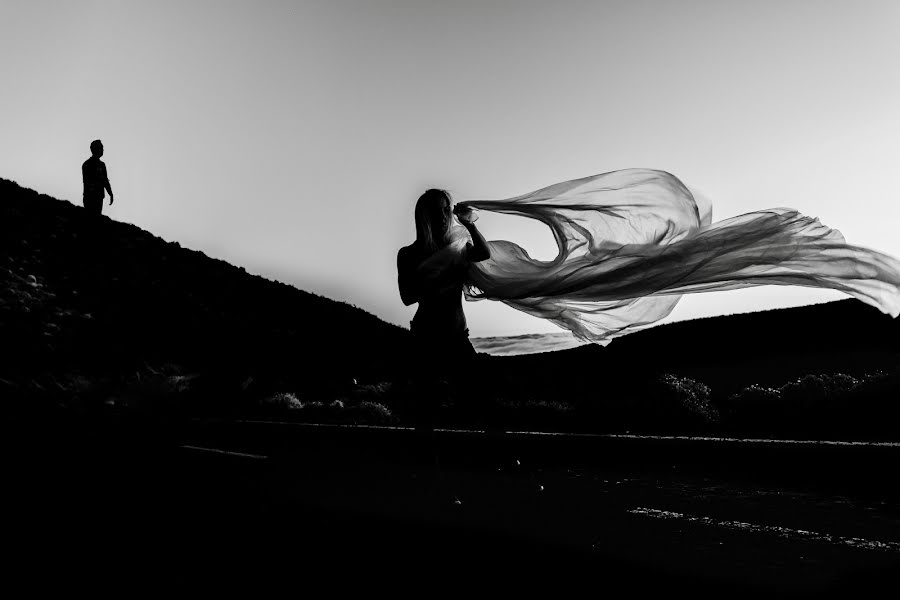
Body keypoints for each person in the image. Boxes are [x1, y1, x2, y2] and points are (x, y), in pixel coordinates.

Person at [397, 189, 491, 430]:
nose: (441, 215)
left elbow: (484, 252)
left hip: (457, 336)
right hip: (425, 337)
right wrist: (438, 278)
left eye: (445, 210)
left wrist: (469, 225)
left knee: (475, 398)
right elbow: (407, 297)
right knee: (424, 407)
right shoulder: (409, 254)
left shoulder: (458, 247)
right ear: (423, 215)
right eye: (435, 211)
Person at [82, 140, 114, 216]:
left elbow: (105, 180)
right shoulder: (87, 164)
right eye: (101, 147)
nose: (103, 150)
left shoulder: (102, 165)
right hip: (90, 197)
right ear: (95, 149)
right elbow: (87, 181)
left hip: (99, 197)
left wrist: (110, 193)